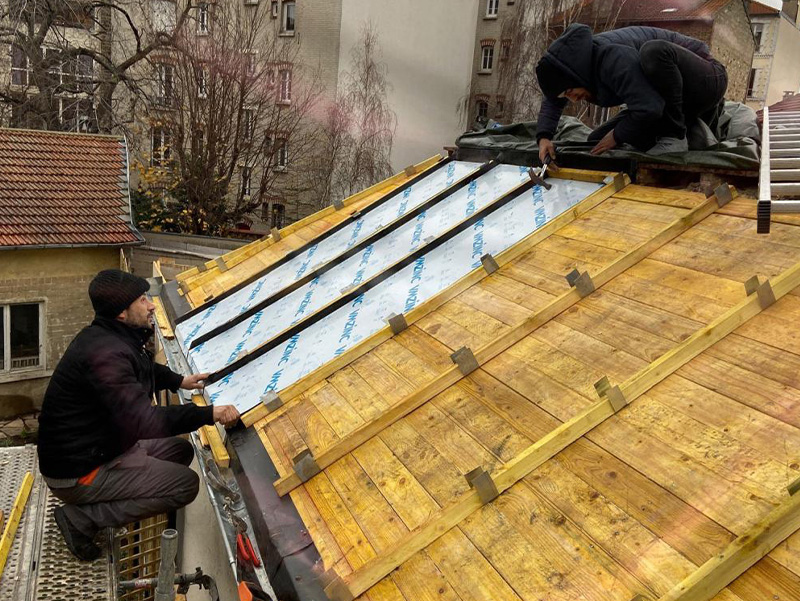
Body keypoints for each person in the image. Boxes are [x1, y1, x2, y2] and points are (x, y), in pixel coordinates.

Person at [37, 269, 240, 561]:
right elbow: (145, 421)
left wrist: (179, 381)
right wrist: (208, 413)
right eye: (143, 300)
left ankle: (110, 498)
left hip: (99, 447)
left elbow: (141, 369)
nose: (152, 305)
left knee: (181, 450)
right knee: (185, 484)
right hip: (77, 472)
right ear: (122, 312)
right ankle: (81, 519)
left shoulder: (111, 337)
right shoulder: (106, 355)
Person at [535, 24, 728, 161]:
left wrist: (618, 135)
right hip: (667, 100)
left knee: (654, 52)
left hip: (705, 82)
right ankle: (690, 132)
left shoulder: (612, 58)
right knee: (596, 142)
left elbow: (650, 107)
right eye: (566, 96)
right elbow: (553, 98)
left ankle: (675, 136)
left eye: (570, 91)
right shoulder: (575, 70)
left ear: (577, 75)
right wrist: (544, 137)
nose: (573, 99)